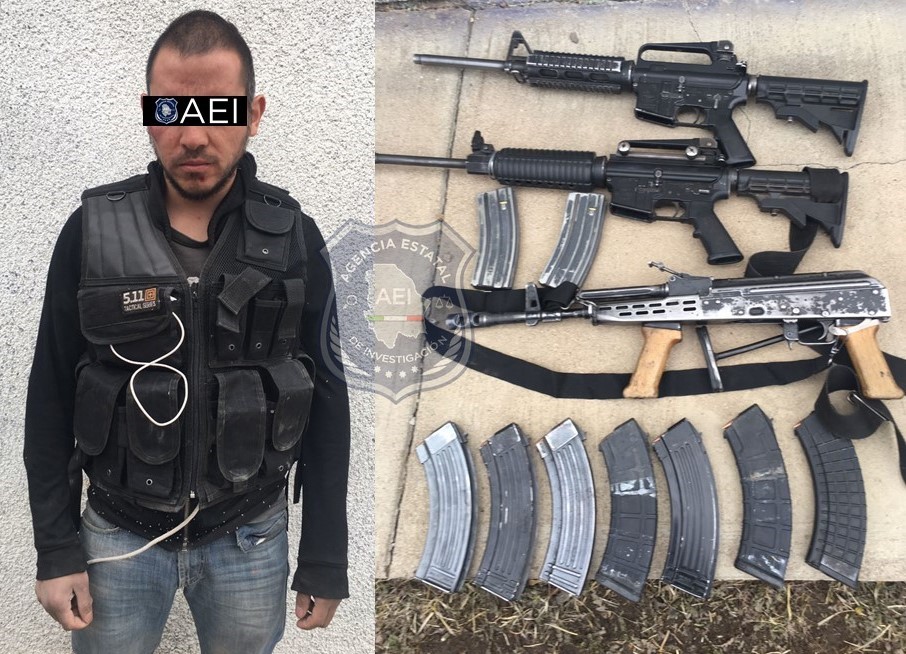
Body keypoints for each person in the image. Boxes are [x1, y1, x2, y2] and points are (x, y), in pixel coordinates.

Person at [22, 10, 350, 653]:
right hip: (116, 535)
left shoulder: (296, 239)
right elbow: (50, 395)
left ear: (254, 113)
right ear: (148, 115)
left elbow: (329, 399)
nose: (195, 135)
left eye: (219, 110)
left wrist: (325, 556)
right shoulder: (90, 232)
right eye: (173, 111)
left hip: (250, 536)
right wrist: (56, 548)